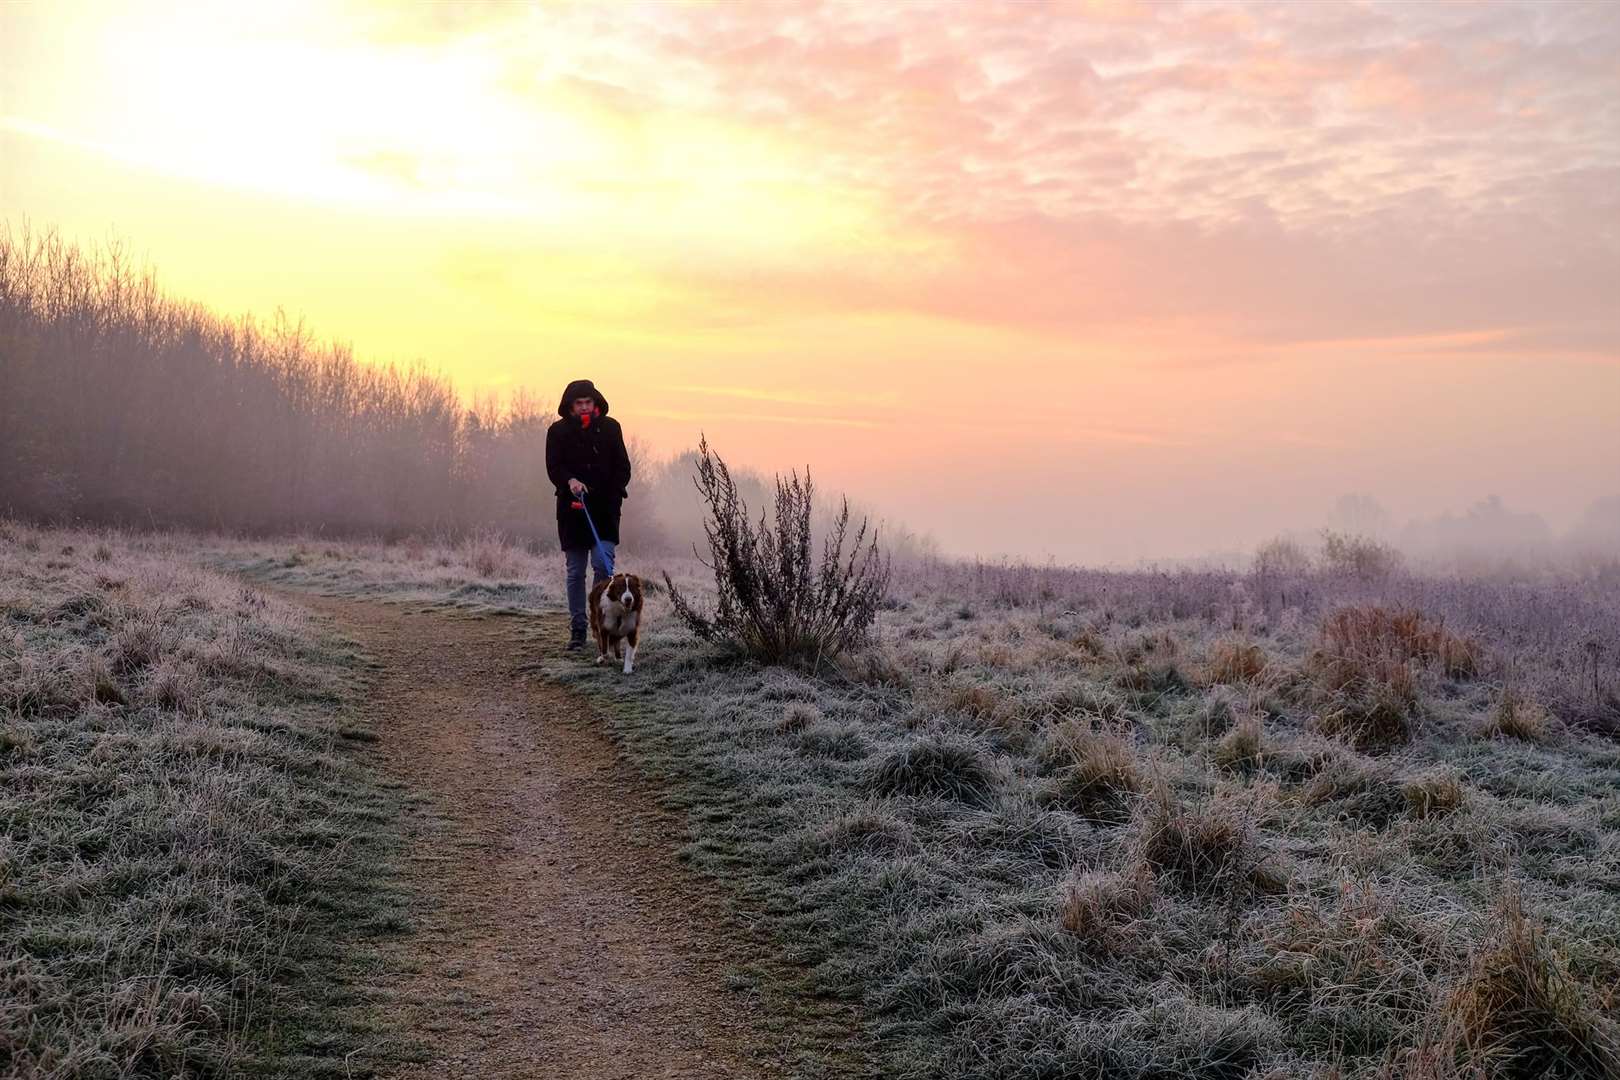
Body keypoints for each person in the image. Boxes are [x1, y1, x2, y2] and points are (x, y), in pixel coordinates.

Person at [545, 379, 631, 650]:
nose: (583, 407)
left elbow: (623, 468)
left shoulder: (611, 428)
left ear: (596, 404)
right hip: (572, 511)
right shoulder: (557, 432)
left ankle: (600, 623)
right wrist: (570, 481)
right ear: (570, 406)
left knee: (603, 567)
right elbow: (553, 467)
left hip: (605, 511)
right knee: (574, 572)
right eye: (578, 403)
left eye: (588, 402)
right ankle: (578, 629)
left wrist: (612, 493)